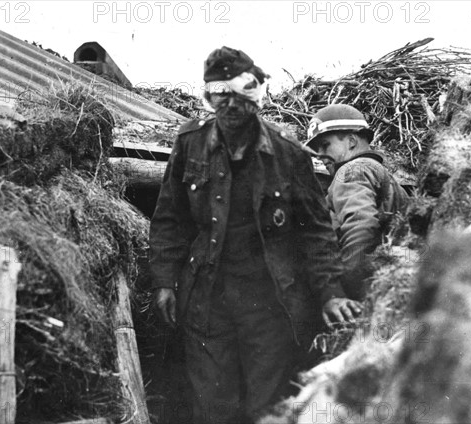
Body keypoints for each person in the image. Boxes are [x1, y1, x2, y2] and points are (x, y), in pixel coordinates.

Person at [149, 46, 361, 424]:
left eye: (240, 95)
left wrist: (330, 292)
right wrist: (164, 280)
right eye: (220, 96)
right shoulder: (190, 143)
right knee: (212, 407)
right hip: (207, 300)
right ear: (210, 98)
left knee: (265, 407)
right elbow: (170, 218)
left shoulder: (287, 152)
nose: (231, 106)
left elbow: (315, 230)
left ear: (256, 97)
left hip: (269, 304)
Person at [304, 104, 409, 299]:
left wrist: (348, 290)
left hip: (368, 290)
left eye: (325, 145)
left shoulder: (353, 170)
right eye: (316, 149)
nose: (320, 154)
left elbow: (359, 228)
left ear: (352, 141)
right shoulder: (380, 173)